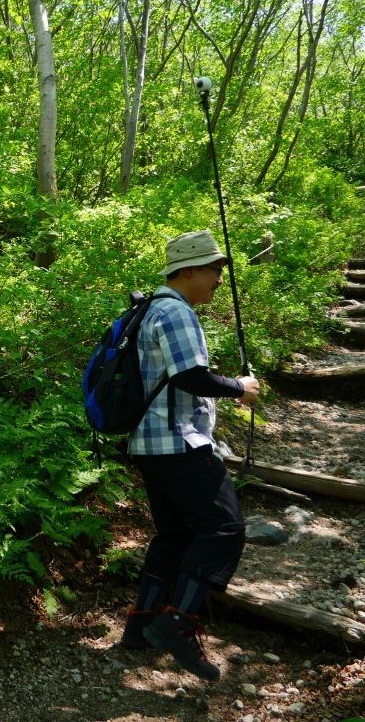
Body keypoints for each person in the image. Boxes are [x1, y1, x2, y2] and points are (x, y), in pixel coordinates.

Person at [118, 229, 260, 681]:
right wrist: (241, 388)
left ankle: (140, 627)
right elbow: (190, 377)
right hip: (177, 441)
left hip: (149, 443)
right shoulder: (175, 312)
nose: (220, 279)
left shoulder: (148, 309)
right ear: (190, 270)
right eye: (215, 269)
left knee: (175, 534)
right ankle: (177, 625)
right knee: (225, 527)